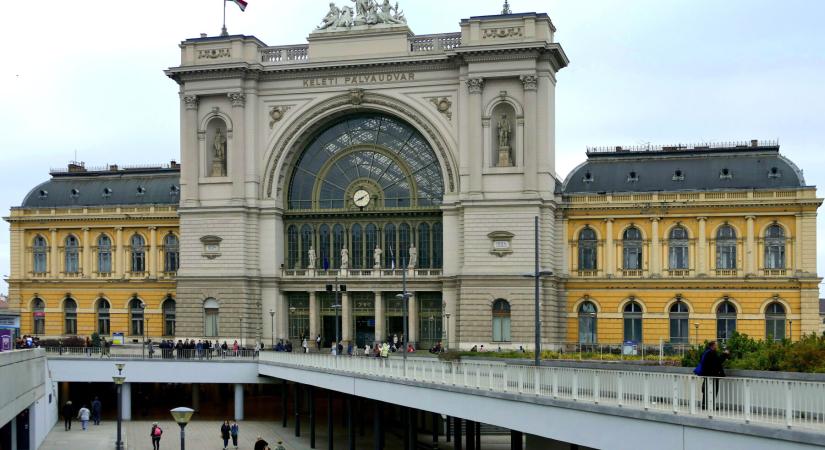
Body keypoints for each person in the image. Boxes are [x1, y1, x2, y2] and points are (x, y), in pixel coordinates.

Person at [694, 340, 730, 410]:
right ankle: (711, 406)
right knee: (713, 390)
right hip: (712, 375)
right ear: (712, 346)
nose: (717, 346)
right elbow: (718, 361)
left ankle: (704, 405)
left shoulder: (705, 352)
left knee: (706, 390)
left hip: (706, 374)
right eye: (716, 345)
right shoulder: (712, 353)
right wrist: (725, 354)